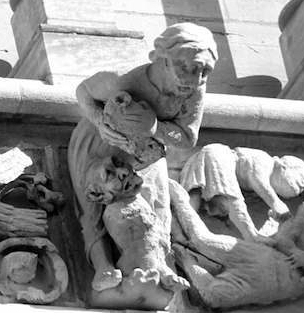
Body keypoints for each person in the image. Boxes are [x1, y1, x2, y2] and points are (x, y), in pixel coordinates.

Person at [69, 23, 217, 293]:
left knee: (157, 206)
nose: (196, 79)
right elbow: (83, 92)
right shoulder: (124, 80)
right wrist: (101, 121)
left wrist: (155, 128)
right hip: (98, 144)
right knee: (93, 208)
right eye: (189, 68)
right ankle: (102, 266)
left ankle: (161, 266)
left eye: (205, 71)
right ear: (164, 60)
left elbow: (187, 138)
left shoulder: (193, 91)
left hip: (146, 152)